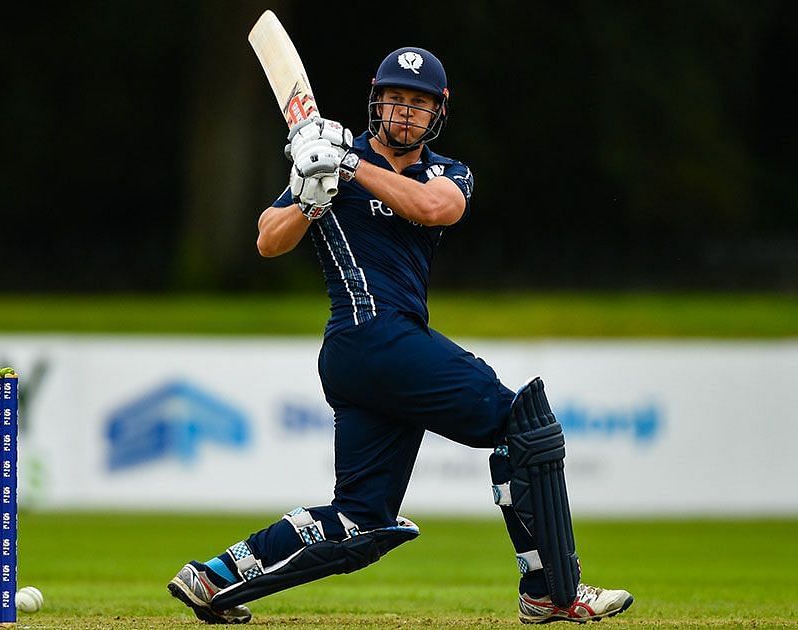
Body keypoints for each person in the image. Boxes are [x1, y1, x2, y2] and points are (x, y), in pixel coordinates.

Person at [168, 46, 634, 625]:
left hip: (377, 355)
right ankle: (553, 592)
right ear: (375, 100)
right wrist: (311, 200)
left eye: (418, 103)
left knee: (361, 520)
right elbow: (268, 239)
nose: (404, 112)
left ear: (438, 111)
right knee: (525, 424)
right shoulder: (327, 161)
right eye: (394, 99)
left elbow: (437, 209)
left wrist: (348, 168)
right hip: (367, 336)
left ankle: (216, 578)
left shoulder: (440, 172)